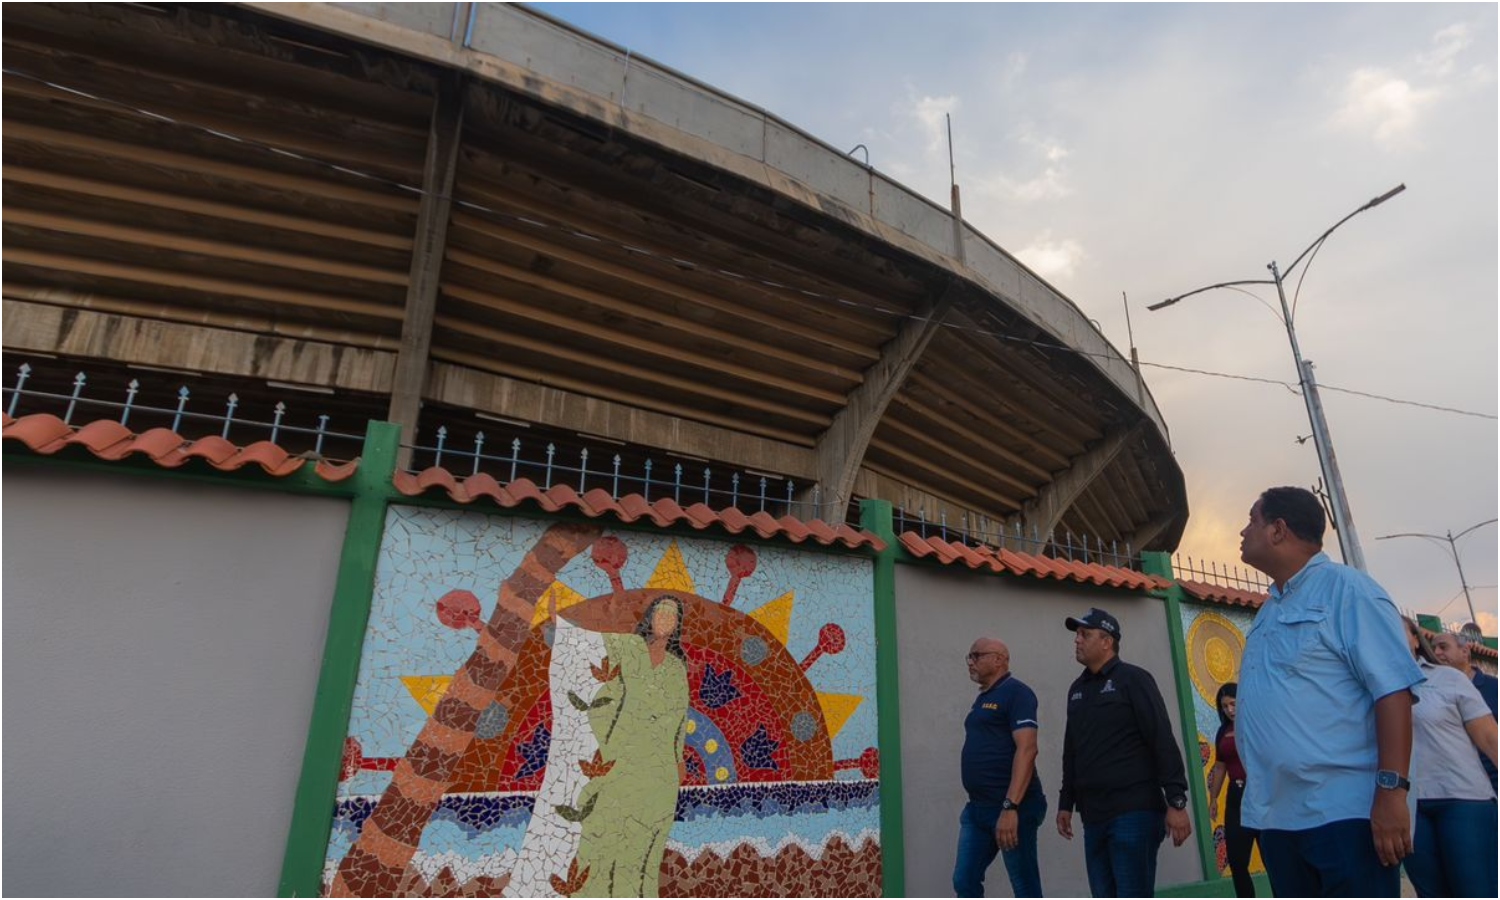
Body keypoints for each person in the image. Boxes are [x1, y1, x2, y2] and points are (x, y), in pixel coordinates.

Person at [1235, 486, 1424, 897]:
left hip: (1343, 815)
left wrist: (1392, 794)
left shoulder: (1349, 590)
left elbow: (1393, 691)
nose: (1242, 531)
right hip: (1278, 818)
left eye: (1252, 520)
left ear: (1278, 530)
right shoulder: (1269, 611)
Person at [1057, 607, 1192, 897]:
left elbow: (1161, 739)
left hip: (1134, 811)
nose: (1077, 640)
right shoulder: (1076, 689)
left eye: (1085, 634)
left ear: (1107, 641)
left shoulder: (1134, 680)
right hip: (1093, 815)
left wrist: (1177, 800)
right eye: (1077, 635)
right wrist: (1065, 802)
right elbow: (1072, 750)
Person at [571, 593, 691, 897]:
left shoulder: (677, 668)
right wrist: (561, 621)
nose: (665, 620)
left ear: (677, 625)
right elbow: (592, 643)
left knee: (649, 837)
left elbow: (680, 717)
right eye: (660, 613)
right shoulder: (629, 647)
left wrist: (678, 759)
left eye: (672, 616)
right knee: (606, 826)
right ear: (649, 617)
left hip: (659, 769)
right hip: (622, 757)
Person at [1400, 617, 1498, 898]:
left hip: (1464, 799)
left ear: (1416, 639)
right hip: (1408, 807)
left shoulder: (1447, 678)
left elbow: (1490, 737)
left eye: (1396, 627)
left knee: (1474, 890)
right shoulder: (1370, 685)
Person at [953, 637, 1046, 898]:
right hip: (977, 808)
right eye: (969, 656)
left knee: (1024, 886)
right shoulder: (983, 698)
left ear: (999, 659)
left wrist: (1010, 807)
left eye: (976, 655)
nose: (970, 662)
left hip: (1012, 807)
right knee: (964, 881)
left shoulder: (1017, 693)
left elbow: (1027, 749)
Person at [1205, 682, 1258, 897]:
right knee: (1236, 860)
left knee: (1274, 856)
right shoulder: (1222, 732)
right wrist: (1213, 798)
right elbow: (1220, 766)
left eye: (1234, 704)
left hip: (1259, 794)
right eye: (1225, 706)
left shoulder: (1255, 723)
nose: (1230, 710)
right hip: (1236, 798)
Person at [1430, 629, 1498, 787]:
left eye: (1443, 647)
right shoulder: (1434, 693)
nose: (1436, 653)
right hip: (1459, 786)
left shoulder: (1494, 688)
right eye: (1433, 649)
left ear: (1465, 651)